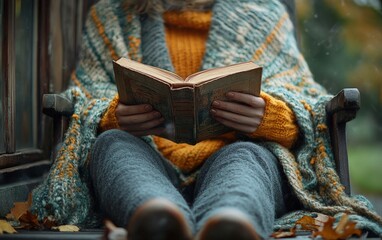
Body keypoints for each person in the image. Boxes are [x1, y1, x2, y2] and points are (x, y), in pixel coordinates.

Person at [31, 0, 382, 239]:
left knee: (252, 157)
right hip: (147, 156)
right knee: (111, 145)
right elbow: (86, 97)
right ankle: (158, 217)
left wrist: (271, 116)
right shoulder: (110, 15)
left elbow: (305, 99)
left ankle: (231, 221)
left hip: (235, 152)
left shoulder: (263, 13)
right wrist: (113, 115)